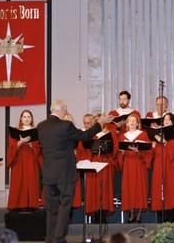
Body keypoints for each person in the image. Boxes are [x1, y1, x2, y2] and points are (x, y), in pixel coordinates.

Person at [37, 100, 111, 243]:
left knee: (51, 209)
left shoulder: (41, 126)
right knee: (65, 207)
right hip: (64, 173)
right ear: (62, 110)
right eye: (65, 110)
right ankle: (58, 239)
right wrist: (100, 123)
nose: (66, 113)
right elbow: (86, 136)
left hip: (48, 174)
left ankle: (50, 238)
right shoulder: (65, 126)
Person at [150, 113, 174, 221]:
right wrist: (153, 144)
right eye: (164, 120)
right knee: (159, 192)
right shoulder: (158, 134)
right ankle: (160, 219)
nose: (166, 122)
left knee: (171, 193)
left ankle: (171, 218)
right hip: (159, 166)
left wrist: (165, 142)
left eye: (168, 120)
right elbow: (152, 154)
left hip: (172, 168)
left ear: (173, 122)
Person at [118, 113, 151, 223]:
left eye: (134, 121)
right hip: (128, 164)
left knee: (139, 187)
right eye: (129, 121)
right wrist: (122, 153)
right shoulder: (123, 136)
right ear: (126, 124)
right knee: (130, 188)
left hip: (139, 164)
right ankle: (131, 214)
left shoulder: (143, 135)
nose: (131, 123)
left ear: (137, 123)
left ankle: (139, 215)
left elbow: (148, 151)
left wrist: (139, 151)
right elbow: (118, 154)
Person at [7, 109, 42, 210]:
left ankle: (32, 205)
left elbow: (39, 148)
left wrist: (31, 144)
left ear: (31, 119)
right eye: (24, 117)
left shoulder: (36, 131)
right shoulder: (15, 132)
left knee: (31, 182)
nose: (27, 119)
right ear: (21, 119)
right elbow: (11, 148)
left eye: (29, 117)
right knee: (19, 183)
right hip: (19, 161)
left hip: (31, 160)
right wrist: (20, 142)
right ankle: (18, 205)